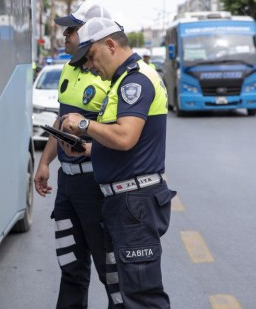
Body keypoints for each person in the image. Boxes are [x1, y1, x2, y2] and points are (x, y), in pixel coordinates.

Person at [60, 17, 176, 309]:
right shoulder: (121, 82)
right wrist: (90, 149)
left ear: (110, 45)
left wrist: (84, 123)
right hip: (123, 201)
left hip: (133, 202)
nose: (89, 65)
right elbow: (118, 142)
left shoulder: (135, 80)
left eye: (91, 56)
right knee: (126, 291)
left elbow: (125, 137)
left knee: (141, 296)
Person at [33, 2, 120, 308]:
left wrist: (89, 147)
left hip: (97, 188)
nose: (65, 36)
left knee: (111, 275)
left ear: (88, 33)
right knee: (70, 268)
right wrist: (45, 163)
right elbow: (61, 122)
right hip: (67, 188)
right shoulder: (67, 69)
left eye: (71, 30)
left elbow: (121, 136)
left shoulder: (110, 75)